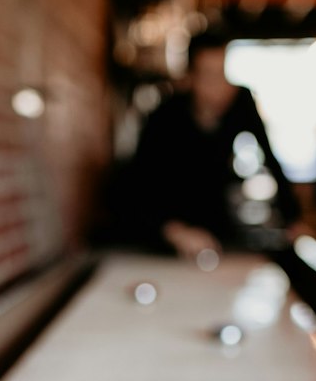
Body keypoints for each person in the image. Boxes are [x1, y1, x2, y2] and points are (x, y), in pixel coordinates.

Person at [127, 33, 300, 256]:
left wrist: (294, 219)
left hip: (216, 222)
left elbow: (271, 158)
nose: (219, 87)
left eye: (223, 74)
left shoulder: (241, 101)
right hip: (167, 223)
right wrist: (174, 231)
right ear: (188, 78)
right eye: (208, 76)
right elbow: (136, 186)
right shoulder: (165, 116)